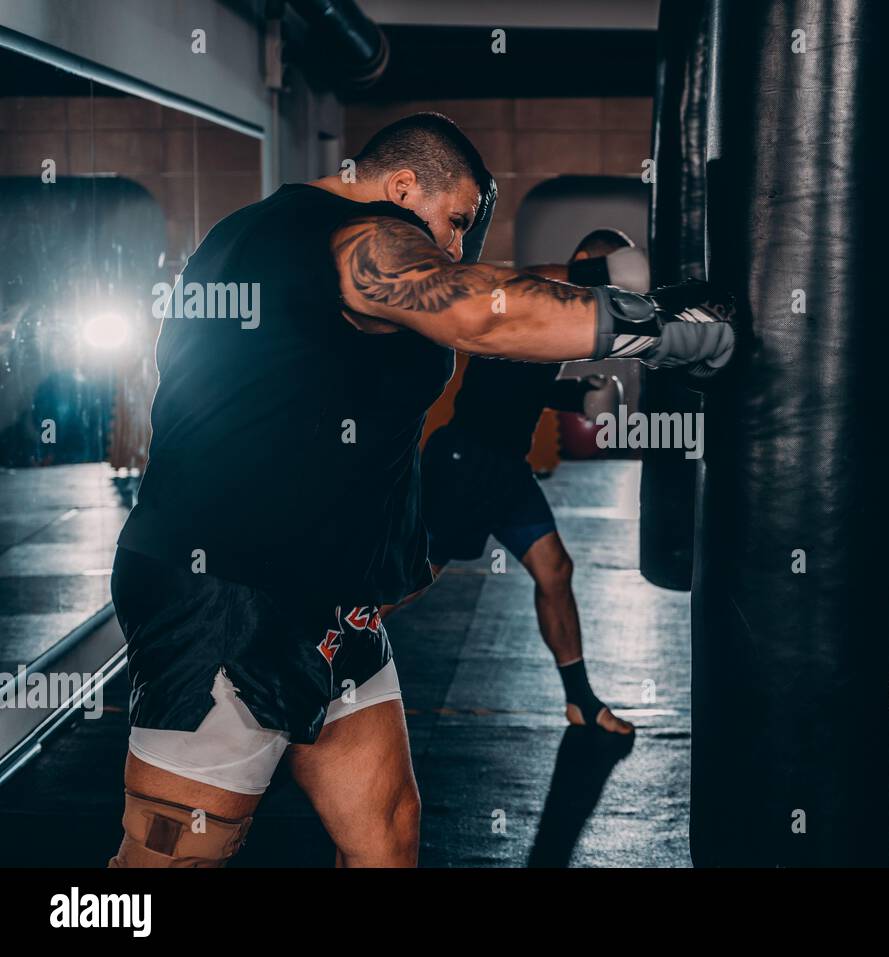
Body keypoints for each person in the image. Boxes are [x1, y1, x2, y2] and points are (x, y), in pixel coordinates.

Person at [107, 111, 734, 867]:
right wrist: (661, 327)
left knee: (388, 834)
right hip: (224, 598)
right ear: (401, 187)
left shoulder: (264, 237)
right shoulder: (347, 237)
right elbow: (479, 308)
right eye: (456, 221)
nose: (457, 245)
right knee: (169, 859)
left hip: (331, 603)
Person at [416, 229, 647, 736]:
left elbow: (518, 390)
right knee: (414, 576)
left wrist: (579, 396)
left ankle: (581, 701)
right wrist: (599, 278)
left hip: (505, 470)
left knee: (556, 570)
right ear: (584, 262)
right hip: (465, 461)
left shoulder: (560, 321)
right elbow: (527, 279)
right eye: (599, 278)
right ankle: (317, 651)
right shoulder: (530, 291)